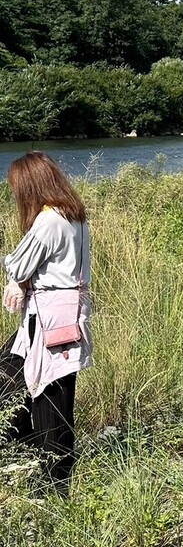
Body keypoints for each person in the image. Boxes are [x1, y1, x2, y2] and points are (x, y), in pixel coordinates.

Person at [0, 152, 92, 494]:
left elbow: (19, 266)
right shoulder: (74, 216)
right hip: (68, 312)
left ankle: (52, 483)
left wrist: (13, 276)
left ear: (30, 186)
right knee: (48, 388)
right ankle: (41, 466)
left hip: (49, 317)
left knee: (48, 396)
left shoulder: (48, 221)